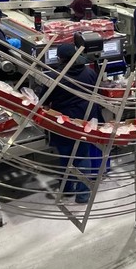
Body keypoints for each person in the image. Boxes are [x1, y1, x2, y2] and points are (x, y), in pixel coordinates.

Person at [40, 44, 103, 204]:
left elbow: (43, 100)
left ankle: (67, 189)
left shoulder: (55, 76)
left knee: (65, 155)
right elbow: (98, 93)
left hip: (64, 122)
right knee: (82, 155)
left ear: (60, 59)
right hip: (85, 120)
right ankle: (83, 194)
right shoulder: (89, 72)